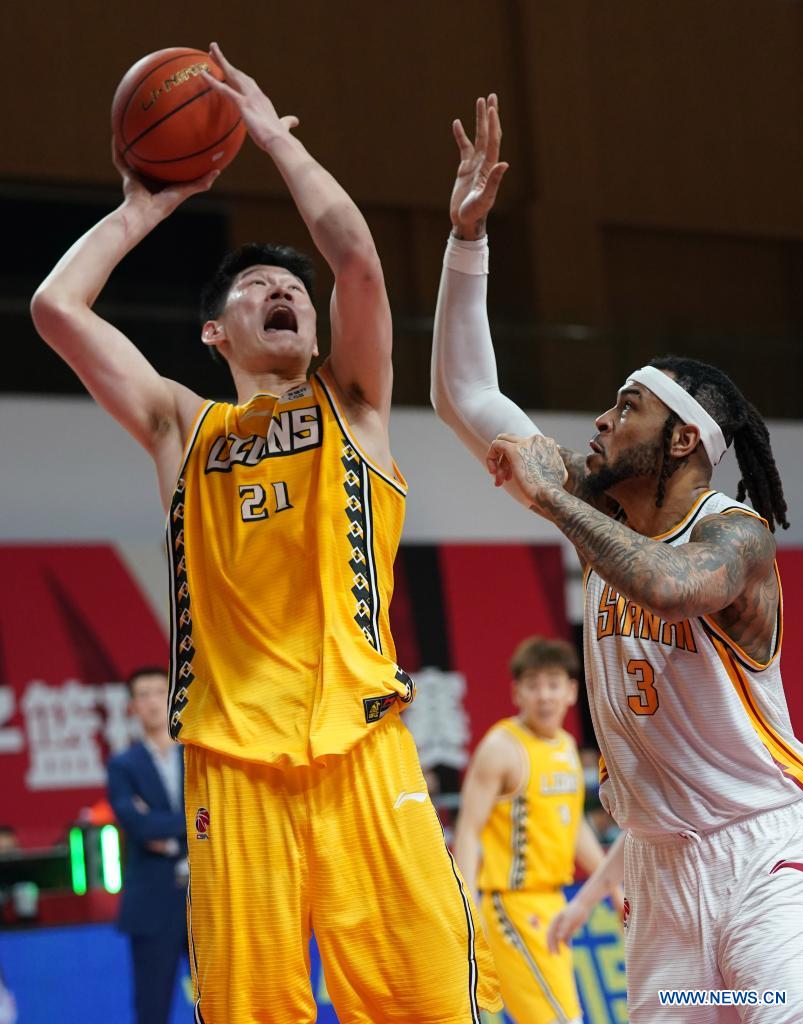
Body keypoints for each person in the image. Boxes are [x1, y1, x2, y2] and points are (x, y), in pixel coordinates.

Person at [32, 45, 500, 1023]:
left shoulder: (353, 404)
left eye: (290, 288)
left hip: (368, 754)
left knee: (431, 1004)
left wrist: (276, 138)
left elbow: (357, 259)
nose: (279, 289)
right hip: (232, 770)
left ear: (318, 330)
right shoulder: (182, 425)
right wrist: (144, 205)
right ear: (213, 335)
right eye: (251, 286)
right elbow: (55, 308)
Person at [432, 94, 803, 1023]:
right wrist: (467, 241)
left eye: (624, 408)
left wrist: (549, 493)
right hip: (660, 869)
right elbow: (464, 392)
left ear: (683, 440)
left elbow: (663, 585)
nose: (600, 422)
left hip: (767, 854)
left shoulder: (735, 536)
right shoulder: (597, 497)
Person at [454, 636, 620, 1024]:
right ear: (516, 692)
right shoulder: (502, 748)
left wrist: (611, 884)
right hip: (510, 905)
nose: (544, 695)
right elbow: (467, 829)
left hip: (554, 903)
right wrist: (467, 907)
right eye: (533, 684)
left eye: (553, 683)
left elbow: (571, 824)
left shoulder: (565, 747)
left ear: (571, 691)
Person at [107, 667, 188, 1024]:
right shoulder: (123, 765)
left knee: (228, 1004)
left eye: (160, 691)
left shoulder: (200, 754)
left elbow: (221, 814)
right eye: (144, 695)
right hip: (152, 905)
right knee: (151, 1010)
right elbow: (137, 825)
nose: (154, 702)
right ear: (132, 707)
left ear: (174, 696)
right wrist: (194, 826)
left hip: (209, 898)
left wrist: (165, 829)